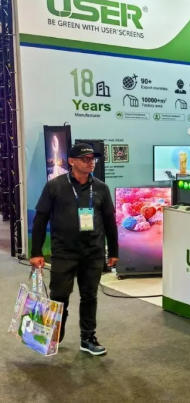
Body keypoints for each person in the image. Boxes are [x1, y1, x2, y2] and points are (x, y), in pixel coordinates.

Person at [29, 143, 118, 356]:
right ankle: (54, 333)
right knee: (59, 295)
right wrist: (36, 252)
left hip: (93, 252)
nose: (90, 162)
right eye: (85, 159)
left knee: (89, 296)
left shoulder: (101, 188)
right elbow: (41, 219)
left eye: (92, 159)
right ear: (71, 161)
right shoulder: (55, 186)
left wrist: (114, 251)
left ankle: (88, 338)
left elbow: (109, 221)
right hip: (64, 252)